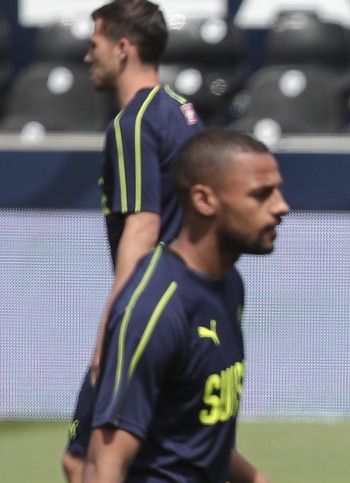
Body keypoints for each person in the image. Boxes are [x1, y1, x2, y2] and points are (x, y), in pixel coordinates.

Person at [83, 128, 288, 482]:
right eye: (261, 194)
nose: (281, 206)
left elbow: (196, 437)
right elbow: (103, 464)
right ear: (204, 200)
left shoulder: (228, 284)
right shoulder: (153, 308)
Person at [63, 1, 204, 481]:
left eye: (94, 44)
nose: (88, 57)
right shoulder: (180, 110)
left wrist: (111, 327)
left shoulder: (133, 122)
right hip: (188, 307)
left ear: (122, 48)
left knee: (83, 460)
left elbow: (141, 227)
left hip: (148, 310)